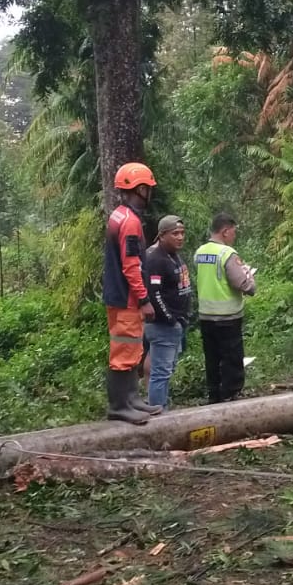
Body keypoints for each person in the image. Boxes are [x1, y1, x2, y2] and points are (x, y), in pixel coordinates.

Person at [102, 163, 164, 424]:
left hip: (120, 295)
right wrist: (144, 300)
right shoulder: (130, 222)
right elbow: (131, 266)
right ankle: (119, 405)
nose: (150, 193)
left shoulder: (118, 215)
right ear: (139, 189)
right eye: (148, 188)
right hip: (126, 298)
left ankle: (132, 399)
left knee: (132, 348)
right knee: (124, 351)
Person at [194, 213, 256, 403]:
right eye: (233, 232)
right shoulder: (227, 254)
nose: (234, 236)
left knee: (212, 358)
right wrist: (250, 278)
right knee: (231, 358)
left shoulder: (200, 252)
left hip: (206, 315)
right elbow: (244, 285)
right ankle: (230, 395)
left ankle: (214, 394)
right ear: (225, 231)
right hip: (227, 317)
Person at [142, 215, 193, 410]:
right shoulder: (155, 258)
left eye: (182, 233)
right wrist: (170, 319)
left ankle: (160, 406)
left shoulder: (172, 254)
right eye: (175, 234)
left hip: (176, 324)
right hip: (163, 326)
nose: (180, 237)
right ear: (162, 235)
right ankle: (157, 412)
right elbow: (153, 294)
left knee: (166, 369)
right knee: (160, 372)